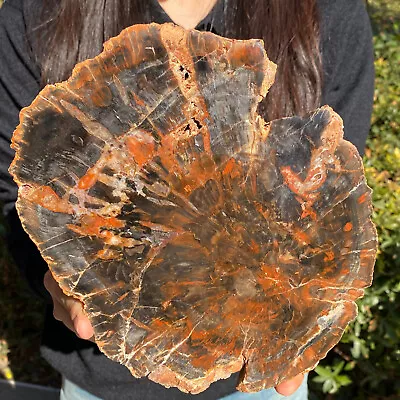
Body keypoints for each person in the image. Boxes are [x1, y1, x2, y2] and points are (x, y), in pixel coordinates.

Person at [0, 0, 374, 399]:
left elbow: (336, 197)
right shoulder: (36, 13)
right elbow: (16, 189)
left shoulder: (329, 11)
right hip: (99, 374)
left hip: (260, 376)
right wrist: (61, 276)